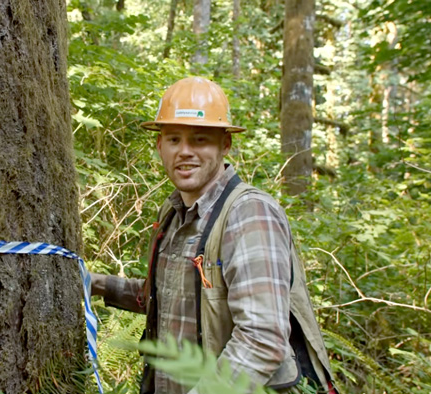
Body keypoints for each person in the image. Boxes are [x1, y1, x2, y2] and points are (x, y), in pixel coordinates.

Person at [90, 77, 335, 394]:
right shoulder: (172, 213)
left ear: (225, 145)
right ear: (159, 145)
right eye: (174, 139)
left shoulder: (249, 215)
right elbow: (162, 297)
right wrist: (93, 283)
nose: (185, 152)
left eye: (200, 140)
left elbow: (262, 339)